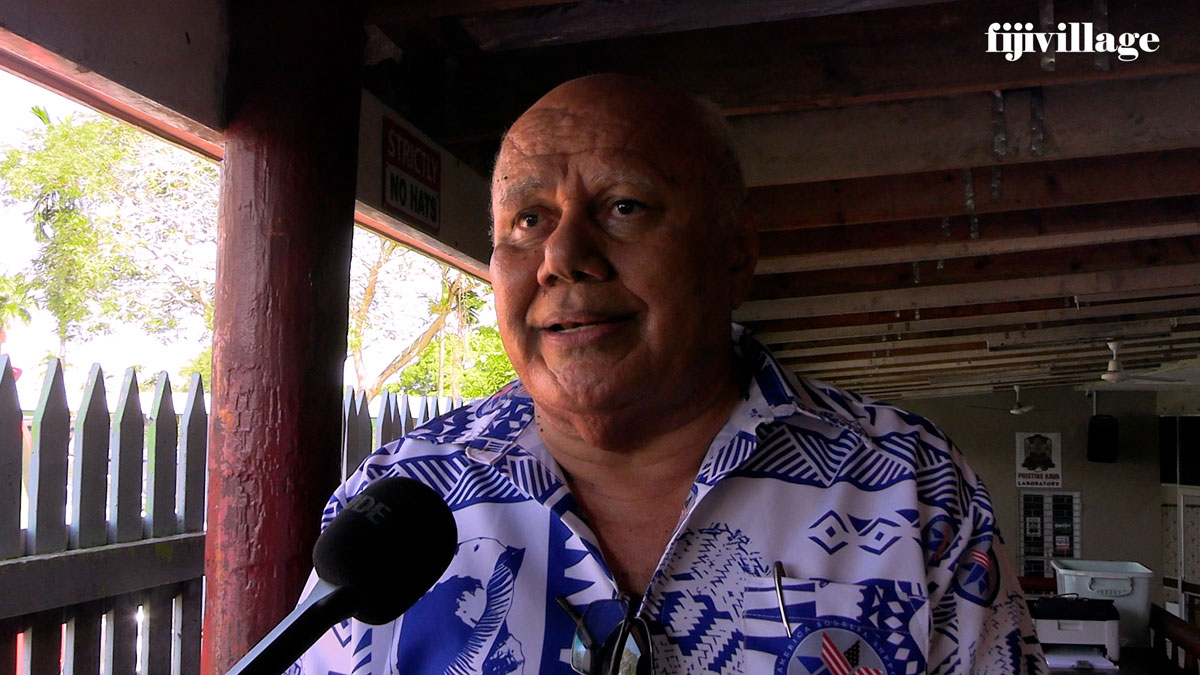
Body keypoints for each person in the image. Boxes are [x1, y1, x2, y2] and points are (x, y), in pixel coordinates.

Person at [294, 74, 1045, 675]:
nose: (562, 257)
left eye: (624, 206)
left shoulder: (913, 487)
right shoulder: (397, 501)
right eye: (527, 221)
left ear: (734, 254)